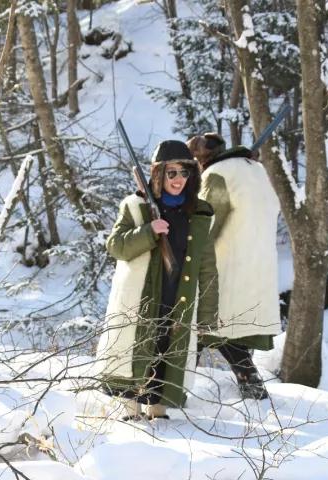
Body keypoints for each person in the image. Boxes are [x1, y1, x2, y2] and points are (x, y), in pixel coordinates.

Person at [95, 140, 218, 420]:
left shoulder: (199, 214)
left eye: (184, 173)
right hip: (140, 297)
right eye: (172, 173)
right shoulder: (136, 207)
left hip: (179, 296)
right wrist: (148, 231)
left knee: (168, 348)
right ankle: (131, 412)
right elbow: (116, 246)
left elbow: (208, 268)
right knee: (136, 348)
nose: (178, 180)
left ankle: (158, 410)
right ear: (158, 173)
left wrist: (209, 315)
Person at [186, 133, 282, 400]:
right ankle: (248, 380)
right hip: (258, 261)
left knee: (200, 322)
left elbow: (207, 221)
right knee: (226, 326)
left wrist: (185, 248)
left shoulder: (218, 174)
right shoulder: (255, 170)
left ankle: (175, 388)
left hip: (225, 262)